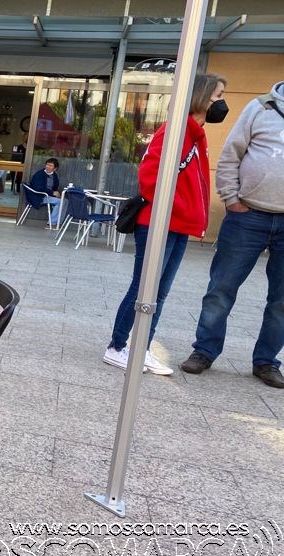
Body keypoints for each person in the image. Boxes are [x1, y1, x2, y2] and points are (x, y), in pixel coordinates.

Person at [103, 73, 228, 376]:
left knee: (158, 292)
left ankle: (140, 348)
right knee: (144, 287)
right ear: (201, 97)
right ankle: (118, 347)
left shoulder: (194, 134)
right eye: (217, 96)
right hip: (160, 224)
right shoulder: (176, 132)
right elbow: (150, 177)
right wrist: (174, 209)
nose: (221, 102)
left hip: (177, 225)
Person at [180, 81, 284, 388]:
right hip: (248, 216)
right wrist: (231, 198)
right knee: (221, 288)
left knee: (282, 300)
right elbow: (230, 155)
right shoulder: (260, 108)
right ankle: (204, 350)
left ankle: (266, 362)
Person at [27, 157, 62, 227]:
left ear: (55, 169)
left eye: (51, 165)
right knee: (60, 202)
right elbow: (38, 188)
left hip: (48, 196)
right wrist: (52, 193)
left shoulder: (54, 175)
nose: (48, 167)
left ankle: (58, 221)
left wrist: (56, 193)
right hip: (39, 197)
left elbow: (55, 187)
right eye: (47, 164)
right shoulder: (39, 174)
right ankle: (53, 222)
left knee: (64, 200)